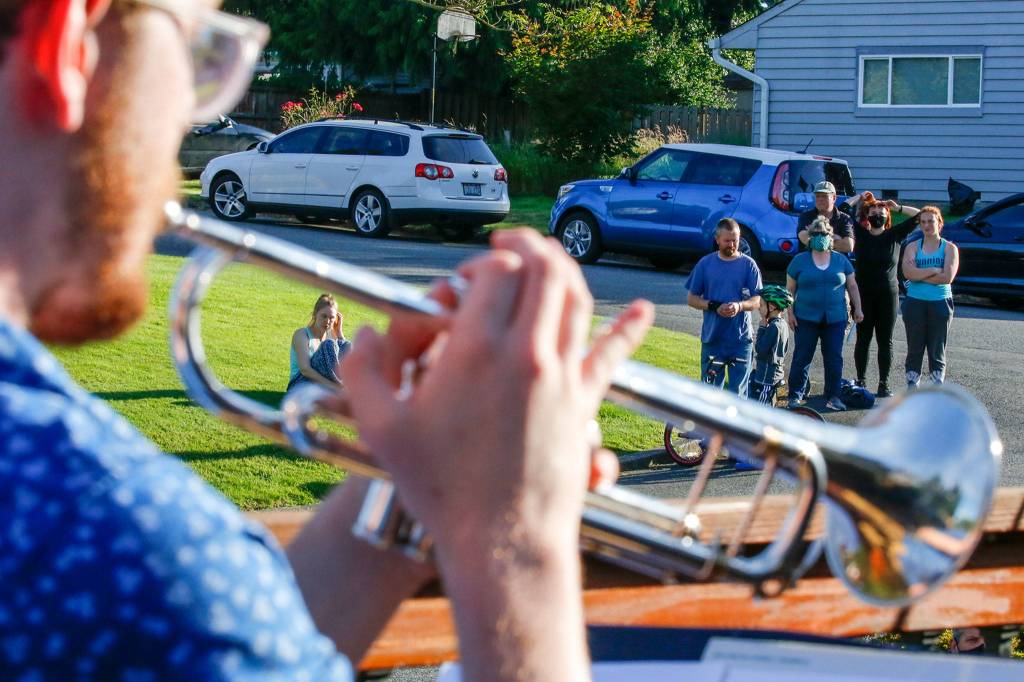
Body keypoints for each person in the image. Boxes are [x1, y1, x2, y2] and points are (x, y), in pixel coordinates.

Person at [0, 1, 655, 679]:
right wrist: (520, 544)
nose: (188, 115)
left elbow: (249, 640)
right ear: (66, 43)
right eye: (201, 50)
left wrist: (416, 475)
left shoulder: (123, 564)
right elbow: (186, 619)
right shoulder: (120, 547)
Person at [838, 191, 922, 397]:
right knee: (863, 339)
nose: (877, 212)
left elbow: (920, 216)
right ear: (867, 215)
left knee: (885, 340)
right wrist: (859, 197)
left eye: (881, 209)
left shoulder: (894, 235)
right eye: (873, 209)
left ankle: (884, 384)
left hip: (888, 296)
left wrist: (897, 207)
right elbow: (842, 211)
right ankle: (861, 380)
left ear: (887, 215)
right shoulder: (860, 234)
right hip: (863, 295)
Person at [786, 217, 865, 411]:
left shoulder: (841, 260)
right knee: (802, 356)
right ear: (810, 237)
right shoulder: (799, 261)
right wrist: (790, 313)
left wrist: (858, 308)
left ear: (831, 237)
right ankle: (795, 394)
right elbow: (790, 290)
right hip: (805, 317)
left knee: (834, 358)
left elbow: (852, 286)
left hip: (835, 318)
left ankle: (833, 396)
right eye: (817, 234)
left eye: (824, 234)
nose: (821, 237)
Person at [686, 218, 763, 396]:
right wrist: (713, 306)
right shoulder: (705, 264)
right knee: (710, 395)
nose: (732, 245)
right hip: (713, 339)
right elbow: (691, 298)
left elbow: (757, 300)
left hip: (740, 340)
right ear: (717, 239)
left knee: (738, 396)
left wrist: (739, 306)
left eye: (735, 240)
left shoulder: (749, 265)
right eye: (727, 240)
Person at [901, 206, 959, 388]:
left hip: (940, 303)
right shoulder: (912, 247)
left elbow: (947, 277)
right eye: (923, 222)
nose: (927, 225)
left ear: (939, 223)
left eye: (931, 221)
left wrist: (920, 273)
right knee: (915, 347)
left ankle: (936, 387)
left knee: (936, 348)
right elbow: (908, 273)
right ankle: (912, 384)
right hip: (915, 303)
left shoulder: (949, 248)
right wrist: (934, 270)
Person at [288, 293, 352, 390]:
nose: (327, 321)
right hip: (300, 384)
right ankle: (342, 389)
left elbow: (345, 357)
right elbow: (305, 370)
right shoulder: (302, 334)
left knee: (347, 345)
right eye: (324, 316)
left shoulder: (331, 336)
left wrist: (339, 333)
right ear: (315, 314)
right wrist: (334, 386)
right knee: (329, 345)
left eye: (331, 318)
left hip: (322, 385)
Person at [748, 284, 793, 405]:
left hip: (767, 378)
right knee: (782, 406)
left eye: (762, 305)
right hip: (779, 375)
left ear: (771, 307)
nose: (759, 308)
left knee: (758, 409)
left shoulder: (773, 327)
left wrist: (762, 327)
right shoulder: (782, 324)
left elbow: (760, 349)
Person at [797, 180, 855, 254]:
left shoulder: (844, 219)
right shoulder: (806, 216)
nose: (820, 199)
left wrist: (815, 236)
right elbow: (804, 237)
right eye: (817, 196)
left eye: (824, 196)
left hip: (836, 263)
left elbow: (848, 246)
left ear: (834, 198)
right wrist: (835, 238)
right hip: (810, 262)